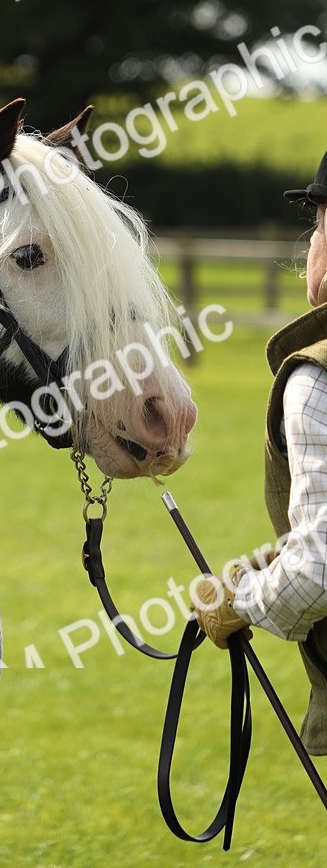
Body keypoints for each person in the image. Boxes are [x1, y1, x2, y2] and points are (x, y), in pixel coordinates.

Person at [191, 151, 327, 755]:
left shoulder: (317, 379)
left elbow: (320, 569)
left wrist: (240, 600)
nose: (311, 244)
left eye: (319, 223)